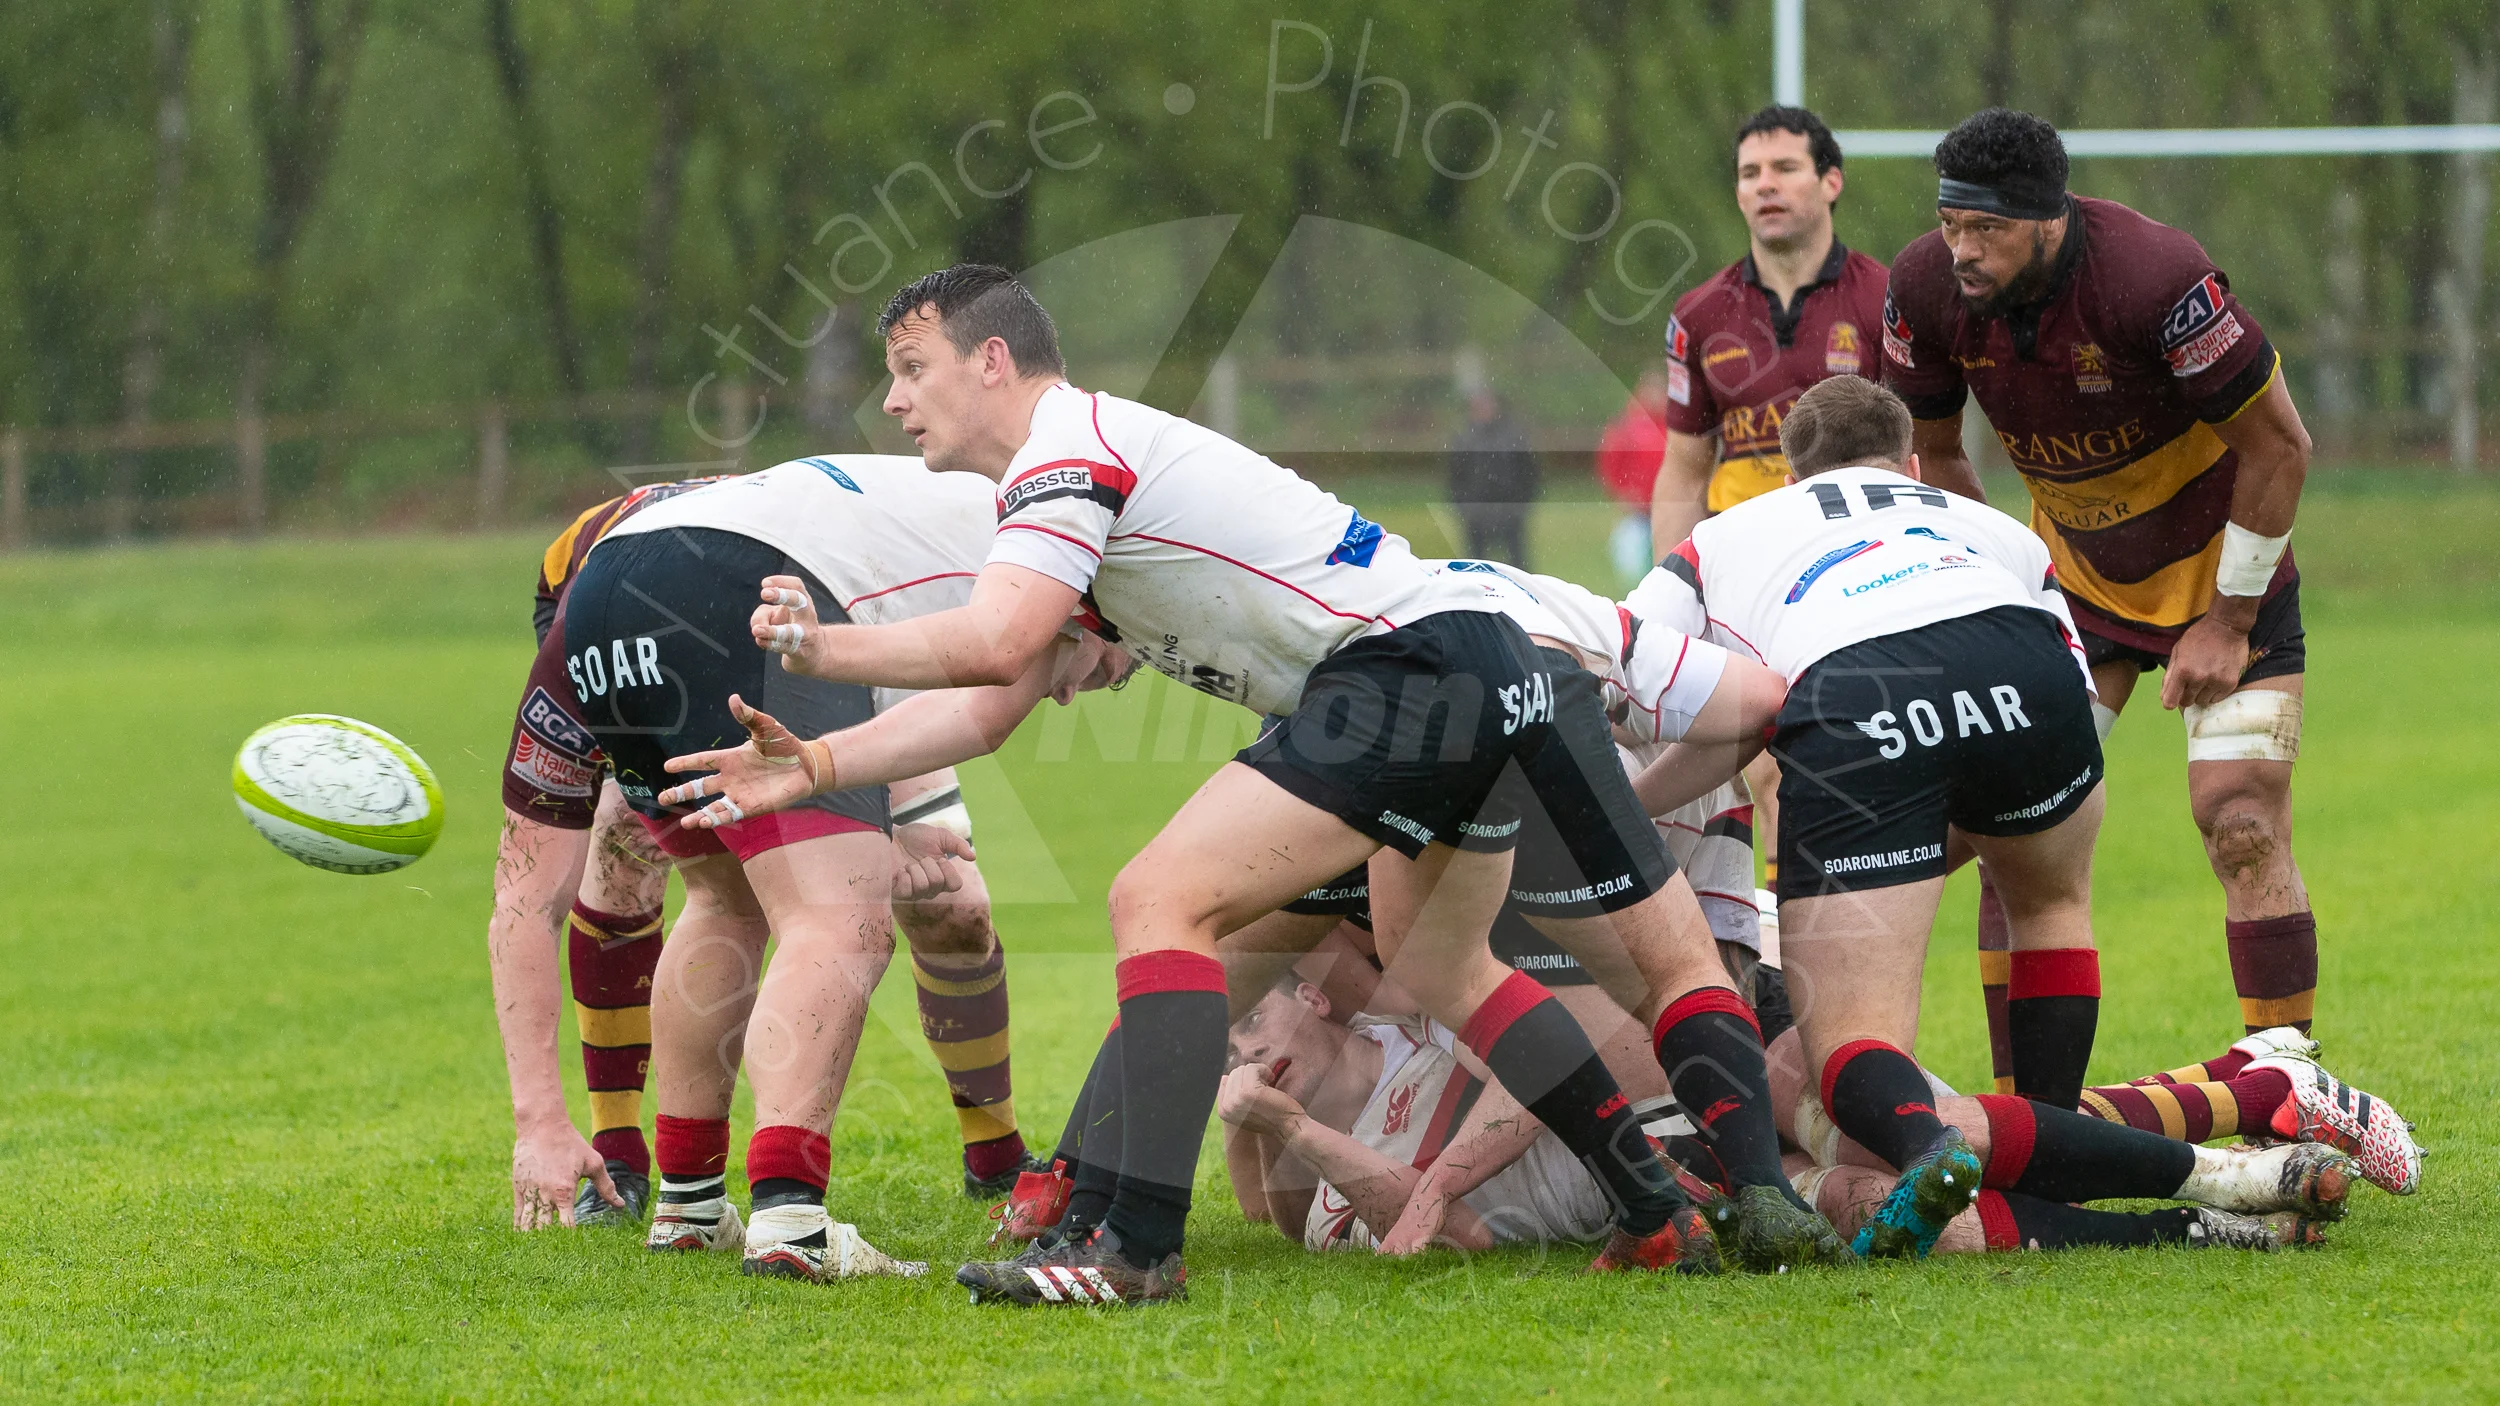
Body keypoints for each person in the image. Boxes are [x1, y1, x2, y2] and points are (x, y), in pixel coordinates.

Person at [658, 263, 1847, 1304]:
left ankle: (1134, 1244)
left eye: (911, 368)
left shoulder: (1069, 447)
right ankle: (1660, 1212)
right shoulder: (1075, 464)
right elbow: (989, 706)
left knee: (1157, 897)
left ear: (991, 359)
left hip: (1407, 669)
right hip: (1492, 658)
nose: (893, 400)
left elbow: (993, 642)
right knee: (1445, 959)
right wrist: (814, 760)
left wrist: (821, 648)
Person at [1631, 374, 2419, 1257]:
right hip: (2029, 677)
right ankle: (2218, 1142)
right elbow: (2071, 682)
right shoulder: (1991, 528)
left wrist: (1628, 816)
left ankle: (2236, 1114)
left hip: (1865, 699)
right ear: (1916, 466)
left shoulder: (1719, 537)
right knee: (2043, 909)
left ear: (1785, 478)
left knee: (1861, 1080)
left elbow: (1624, 676)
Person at [1881, 107, 2328, 1091]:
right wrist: (1986, 593)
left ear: (2046, 218)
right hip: (2071, 589)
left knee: (2237, 814)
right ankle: (2022, 1105)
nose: (1961, 249)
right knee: (2011, 821)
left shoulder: (2157, 279)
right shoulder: (1919, 287)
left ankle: (2289, 1075)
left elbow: (2280, 448)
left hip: (2225, 574)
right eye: (1951, 223)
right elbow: (1938, 452)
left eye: (1986, 229)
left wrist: (2230, 619)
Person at [548, 454, 1072, 1281]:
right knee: (837, 919)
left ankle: (687, 1206)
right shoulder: (1059, 558)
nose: (1085, 691)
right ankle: (792, 1221)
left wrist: (904, 817)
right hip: (744, 587)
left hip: (610, 590)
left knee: (722, 900)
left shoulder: (966, 508)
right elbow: (953, 678)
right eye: (1115, 667)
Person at [1647, 105, 1891, 897]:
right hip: (1745, 578)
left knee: (1815, 772)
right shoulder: (1699, 315)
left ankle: (1795, 962)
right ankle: (1776, 968)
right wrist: (1664, 599)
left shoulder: (1888, 301)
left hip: (1852, 566)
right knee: (1762, 774)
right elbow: (1685, 469)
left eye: (1784, 168)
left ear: (1831, 181)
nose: (1765, 186)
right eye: (1750, 173)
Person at [1447, 389, 1540, 569]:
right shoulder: (1465, 440)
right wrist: (1465, 508)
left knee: (1518, 565)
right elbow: (1455, 478)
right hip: (1476, 514)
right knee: (1476, 565)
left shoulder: (1513, 437)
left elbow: (1530, 473)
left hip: (1510, 512)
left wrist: (1520, 506)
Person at [1595, 370, 1669, 586]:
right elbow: (1610, 462)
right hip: (1637, 510)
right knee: (1633, 569)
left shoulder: (1674, 427)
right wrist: (1621, 492)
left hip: (1667, 507)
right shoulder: (1628, 426)